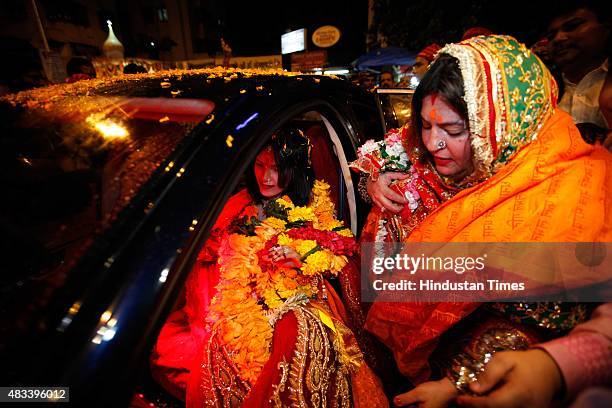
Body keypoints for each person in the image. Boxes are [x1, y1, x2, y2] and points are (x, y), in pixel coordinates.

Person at [354, 35, 610, 408]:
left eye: (454, 131)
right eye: (425, 125)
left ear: (503, 125)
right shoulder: (425, 164)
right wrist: (374, 178)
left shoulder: (566, 193)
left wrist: (460, 382)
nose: (433, 143)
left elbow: (537, 328)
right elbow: (392, 151)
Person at [151, 127, 387, 407]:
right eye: (260, 166)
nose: (266, 177)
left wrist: (301, 260)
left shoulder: (313, 204)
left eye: (276, 168)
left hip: (296, 297)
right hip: (236, 302)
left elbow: (339, 248)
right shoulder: (239, 205)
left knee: (298, 335)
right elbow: (209, 257)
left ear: (294, 168)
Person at [546, 1, 611, 140]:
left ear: (605, 29)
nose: (558, 39)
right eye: (551, 36)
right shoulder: (542, 91)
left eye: (572, 26)